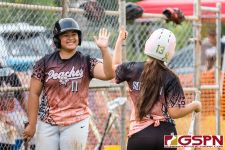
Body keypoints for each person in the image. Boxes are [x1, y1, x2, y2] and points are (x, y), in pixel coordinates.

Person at [23, 18, 114, 150]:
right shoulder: (44, 63)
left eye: (74, 35)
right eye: (66, 35)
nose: (71, 38)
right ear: (57, 39)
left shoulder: (86, 61)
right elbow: (34, 93)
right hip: (48, 121)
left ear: (79, 37)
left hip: (76, 121)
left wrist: (104, 50)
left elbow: (108, 74)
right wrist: (32, 124)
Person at [113, 27, 202, 150]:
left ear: (148, 44)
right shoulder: (171, 77)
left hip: (139, 134)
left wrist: (119, 41)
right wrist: (195, 105)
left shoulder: (132, 69)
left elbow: (115, 69)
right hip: (165, 135)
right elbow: (174, 112)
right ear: (170, 52)